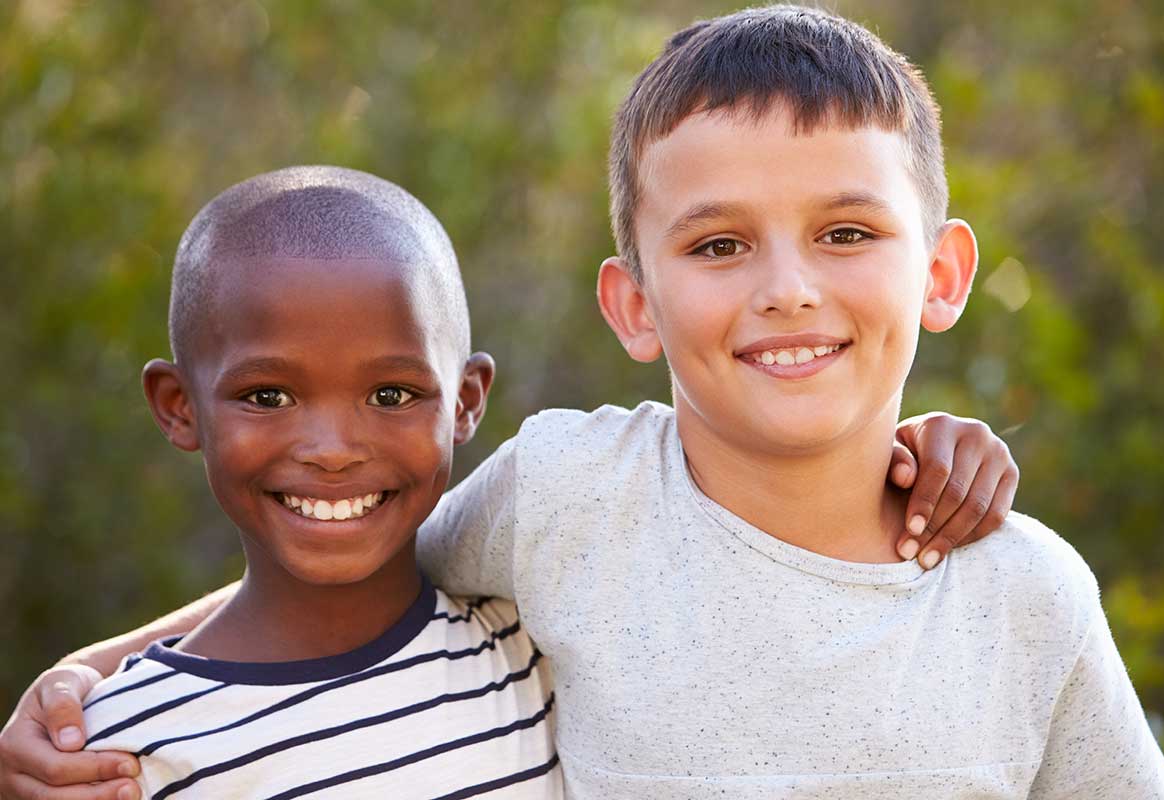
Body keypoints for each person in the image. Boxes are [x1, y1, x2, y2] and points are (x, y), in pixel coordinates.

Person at [0, 9, 1042, 800]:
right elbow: (360, 551)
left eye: (844, 233)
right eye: (721, 243)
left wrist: (919, 455)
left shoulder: (1020, 588)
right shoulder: (566, 504)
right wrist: (86, 669)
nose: (788, 289)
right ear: (633, 305)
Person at [4, 165, 562, 799]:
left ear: (464, 402)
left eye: (391, 393)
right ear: (179, 406)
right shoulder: (117, 752)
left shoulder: (537, 641)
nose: (332, 451)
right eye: (267, 396)